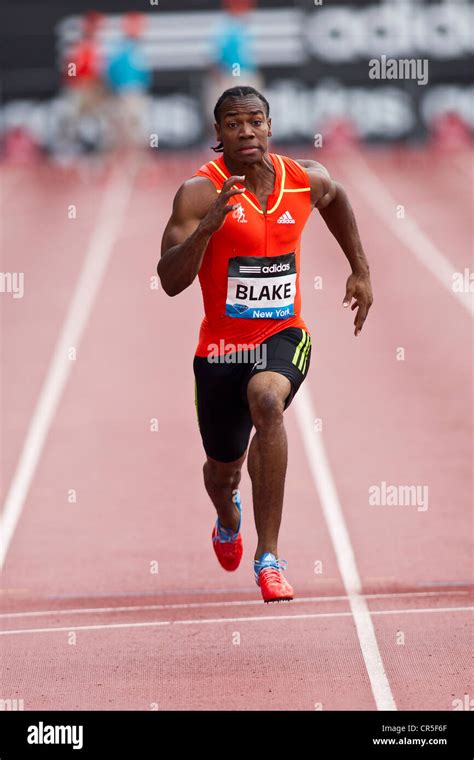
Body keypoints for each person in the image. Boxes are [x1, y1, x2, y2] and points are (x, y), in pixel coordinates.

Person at [158, 86, 373, 603]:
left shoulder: (303, 180)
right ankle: (227, 517)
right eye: (234, 124)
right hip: (220, 353)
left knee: (268, 403)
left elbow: (337, 197)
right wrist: (208, 228)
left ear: (271, 126)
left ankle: (268, 556)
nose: (246, 131)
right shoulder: (198, 192)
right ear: (218, 135)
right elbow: (169, 279)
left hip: (283, 333)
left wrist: (360, 271)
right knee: (221, 471)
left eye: (255, 121)